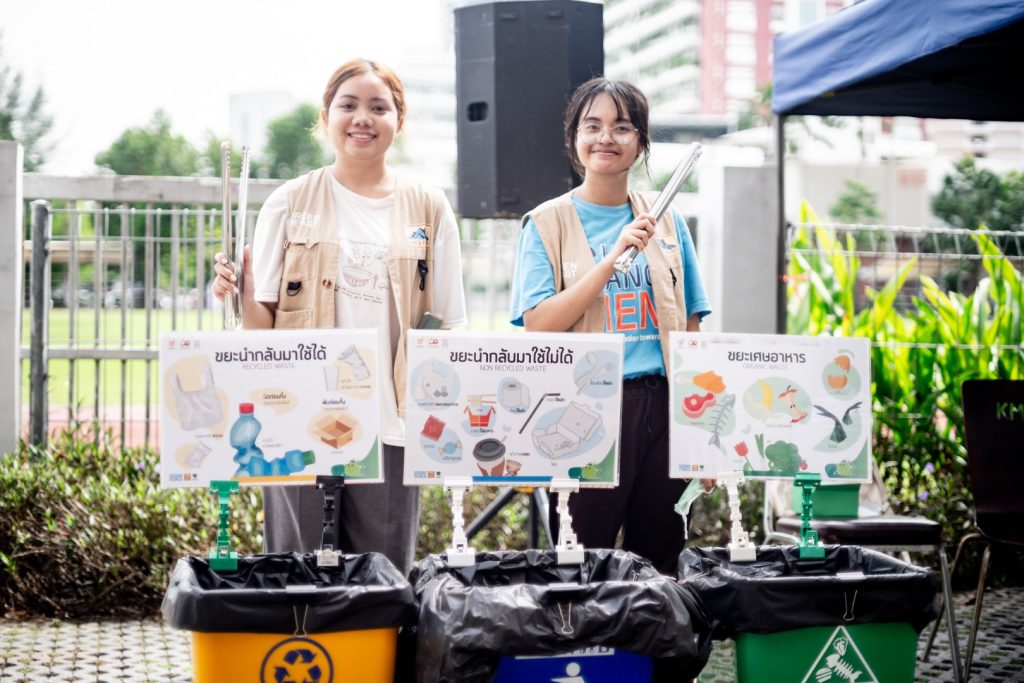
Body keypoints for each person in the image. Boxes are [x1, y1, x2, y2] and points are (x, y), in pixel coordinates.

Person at [212, 58, 467, 575]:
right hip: (296, 416)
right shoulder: (288, 202)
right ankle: (307, 653)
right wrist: (238, 294)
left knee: (384, 569)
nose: (362, 118)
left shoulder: (429, 207)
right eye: (348, 105)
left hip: (391, 421)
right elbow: (261, 327)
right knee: (296, 564)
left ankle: (376, 660)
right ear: (325, 116)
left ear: (399, 120)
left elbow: (447, 323)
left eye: (379, 107)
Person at [509, 78, 711, 573]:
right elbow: (538, 324)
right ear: (574, 138)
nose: (606, 138)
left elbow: (689, 328)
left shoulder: (668, 221)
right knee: (582, 558)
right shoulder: (546, 223)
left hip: (662, 408)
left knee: (660, 558)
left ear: (640, 142)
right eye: (592, 126)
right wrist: (611, 260)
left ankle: (649, 653)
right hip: (584, 410)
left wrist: (700, 434)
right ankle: (582, 649)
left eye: (622, 127)